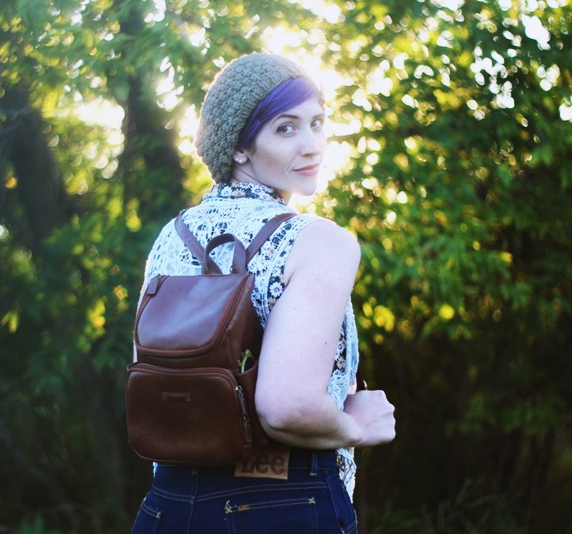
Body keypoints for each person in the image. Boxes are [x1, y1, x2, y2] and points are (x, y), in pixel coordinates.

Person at [130, 53, 396, 534]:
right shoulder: (319, 240)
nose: (313, 145)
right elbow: (286, 407)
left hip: (167, 503)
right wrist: (355, 427)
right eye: (286, 129)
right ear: (238, 148)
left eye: (317, 123)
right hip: (281, 500)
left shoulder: (170, 236)